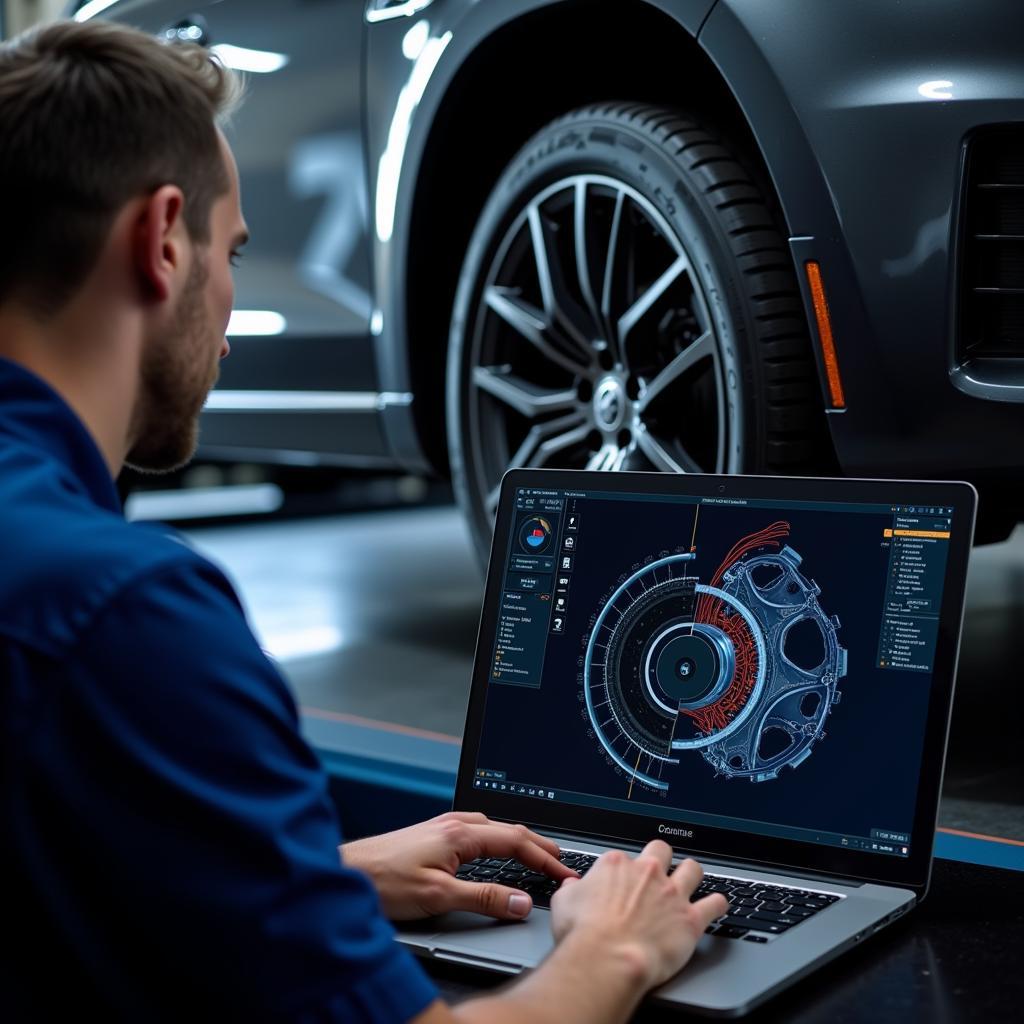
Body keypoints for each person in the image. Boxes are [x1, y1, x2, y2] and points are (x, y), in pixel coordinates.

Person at [0, 19, 727, 1023]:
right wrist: (610, 947)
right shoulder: (125, 612)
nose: (228, 312)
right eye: (233, 253)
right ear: (162, 240)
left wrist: (306, 876)